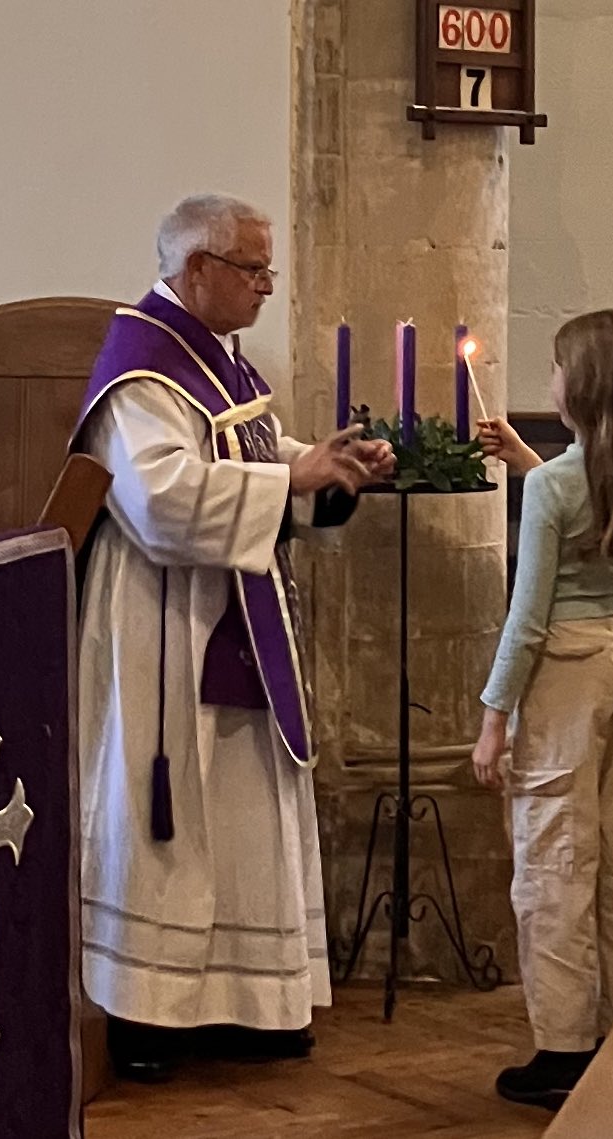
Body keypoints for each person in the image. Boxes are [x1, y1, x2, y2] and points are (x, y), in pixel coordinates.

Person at [71, 193, 394, 1080]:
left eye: (267, 269)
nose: (264, 286)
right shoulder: (142, 367)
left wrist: (323, 466)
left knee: (246, 805)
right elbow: (162, 500)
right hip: (166, 619)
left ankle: (248, 1002)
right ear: (197, 270)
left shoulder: (216, 360)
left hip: (232, 607)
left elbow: (245, 447)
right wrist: (291, 481)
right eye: (251, 269)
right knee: (174, 819)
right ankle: (151, 1014)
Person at [472, 309, 613, 1109]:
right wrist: (531, 463)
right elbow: (583, 500)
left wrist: (495, 717)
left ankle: (561, 1048)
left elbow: (528, 618)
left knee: (556, 855)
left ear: (580, 385)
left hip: (569, 671)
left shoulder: (558, 487)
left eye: (558, 368)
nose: (550, 380)